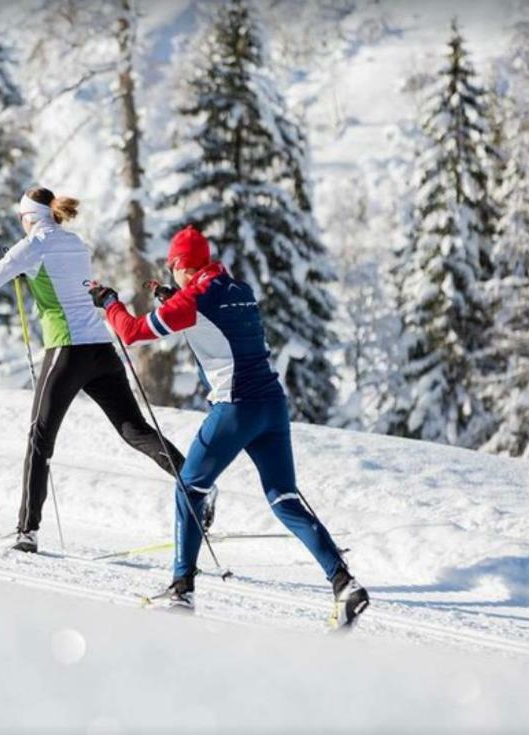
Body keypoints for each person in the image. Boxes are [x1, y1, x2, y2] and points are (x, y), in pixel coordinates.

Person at [88, 225, 369, 629]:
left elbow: (131, 333)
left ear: (183, 265)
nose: (172, 274)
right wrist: (174, 300)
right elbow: (215, 323)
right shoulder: (239, 290)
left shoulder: (194, 298)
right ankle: (345, 584)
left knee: (189, 487)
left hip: (235, 408)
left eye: (173, 268)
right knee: (284, 498)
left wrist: (109, 302)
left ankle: (182, 588)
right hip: (273, 406)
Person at [0, 186, 203, 553]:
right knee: (134, 429)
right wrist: (23, 266)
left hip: (66, 352)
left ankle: (26, 531)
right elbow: (62, 279)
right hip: (101, 350)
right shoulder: (75, 243)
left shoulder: (32, 245)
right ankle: (194, 484)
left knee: (40, 438)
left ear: (27, 217)